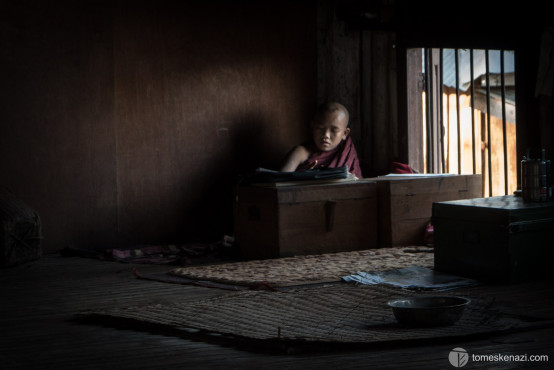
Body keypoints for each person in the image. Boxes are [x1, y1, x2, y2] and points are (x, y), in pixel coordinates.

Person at [280, 102, 362, 178]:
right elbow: (280, 182)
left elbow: (359, 185)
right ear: (312, 127)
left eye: (334, 130)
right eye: (320, 128)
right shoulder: (300, 153)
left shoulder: (347, 152)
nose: (326, 135)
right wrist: (303, 176)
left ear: (345, 133)